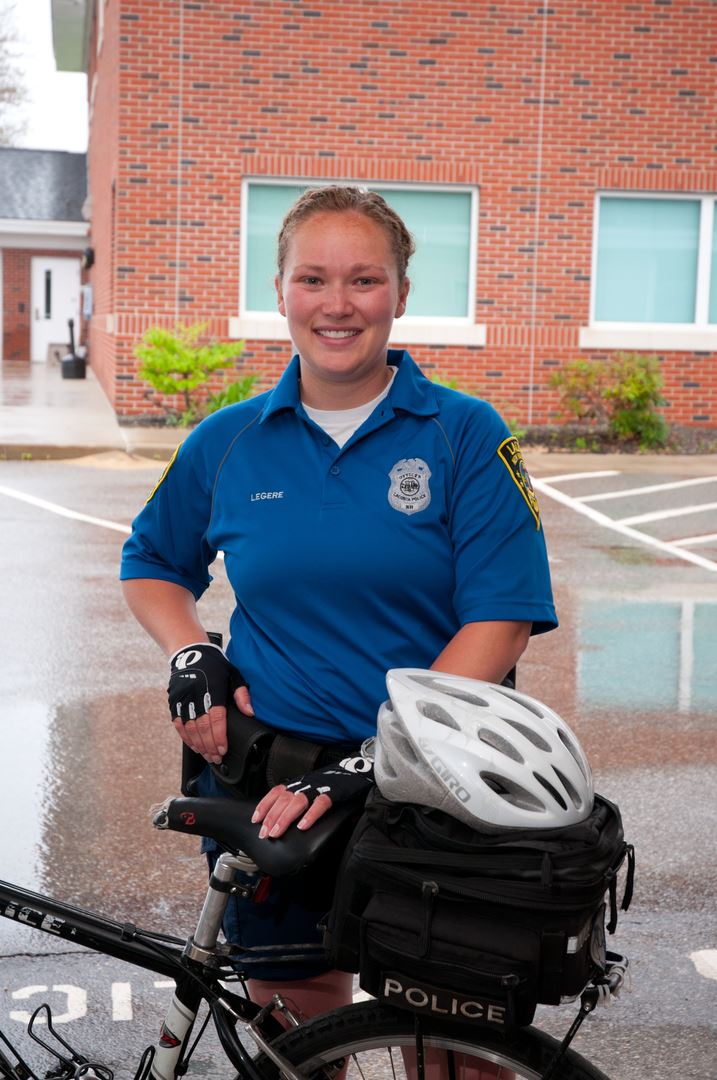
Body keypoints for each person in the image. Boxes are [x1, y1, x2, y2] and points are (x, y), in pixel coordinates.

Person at [120, 185, 557, 1031]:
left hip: (440, 788)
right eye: (312, 279)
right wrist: (188, 651)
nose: (337, 304)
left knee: (454, 1047)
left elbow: (499, 620)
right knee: (299, 1028)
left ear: (398, 294)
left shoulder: (465, 433)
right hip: (275, 788)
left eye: (364, 280)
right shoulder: (228, 439)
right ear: (279, 290)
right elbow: (151, 562)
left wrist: (380, 755)